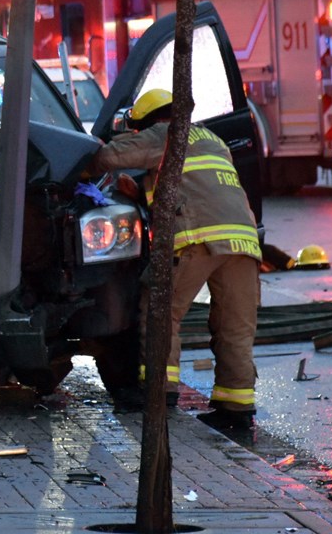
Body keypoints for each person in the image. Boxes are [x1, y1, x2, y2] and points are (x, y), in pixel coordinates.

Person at [89, 88, 262, 430]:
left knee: (160, 310)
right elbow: (193, 186)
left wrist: (85, 155)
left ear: (147, 121)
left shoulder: (163, 133)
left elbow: (106, 158)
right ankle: (237, 407)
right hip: (243, 241)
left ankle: (159, 391)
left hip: (197, 238)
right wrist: (139, 193)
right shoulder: (212, 139)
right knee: (235, 327)